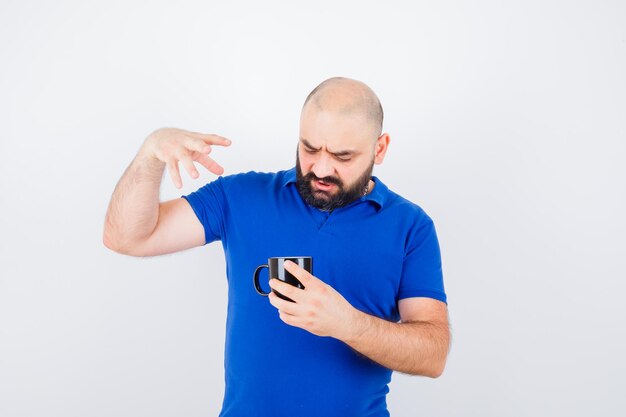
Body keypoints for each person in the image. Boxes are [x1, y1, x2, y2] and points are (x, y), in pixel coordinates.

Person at [103, 76, 450, 417]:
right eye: (310, 148)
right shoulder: (239, 198)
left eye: (343, 156)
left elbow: (433, 356)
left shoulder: (410, 227)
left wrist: (347, 323)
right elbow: (127, 237)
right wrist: (150, 155)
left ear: (380, 148)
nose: (322, 168)